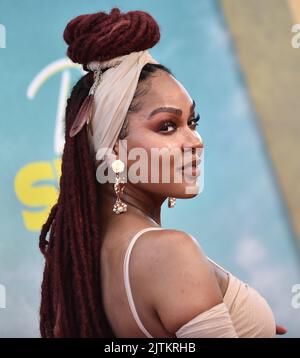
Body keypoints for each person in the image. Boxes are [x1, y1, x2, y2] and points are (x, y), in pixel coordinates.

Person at [39, 7, 287, 338]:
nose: (195, 141)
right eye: (167, 126)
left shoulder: (82, 265)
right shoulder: (169, 252)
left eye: (192, 122)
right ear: (114, 148)